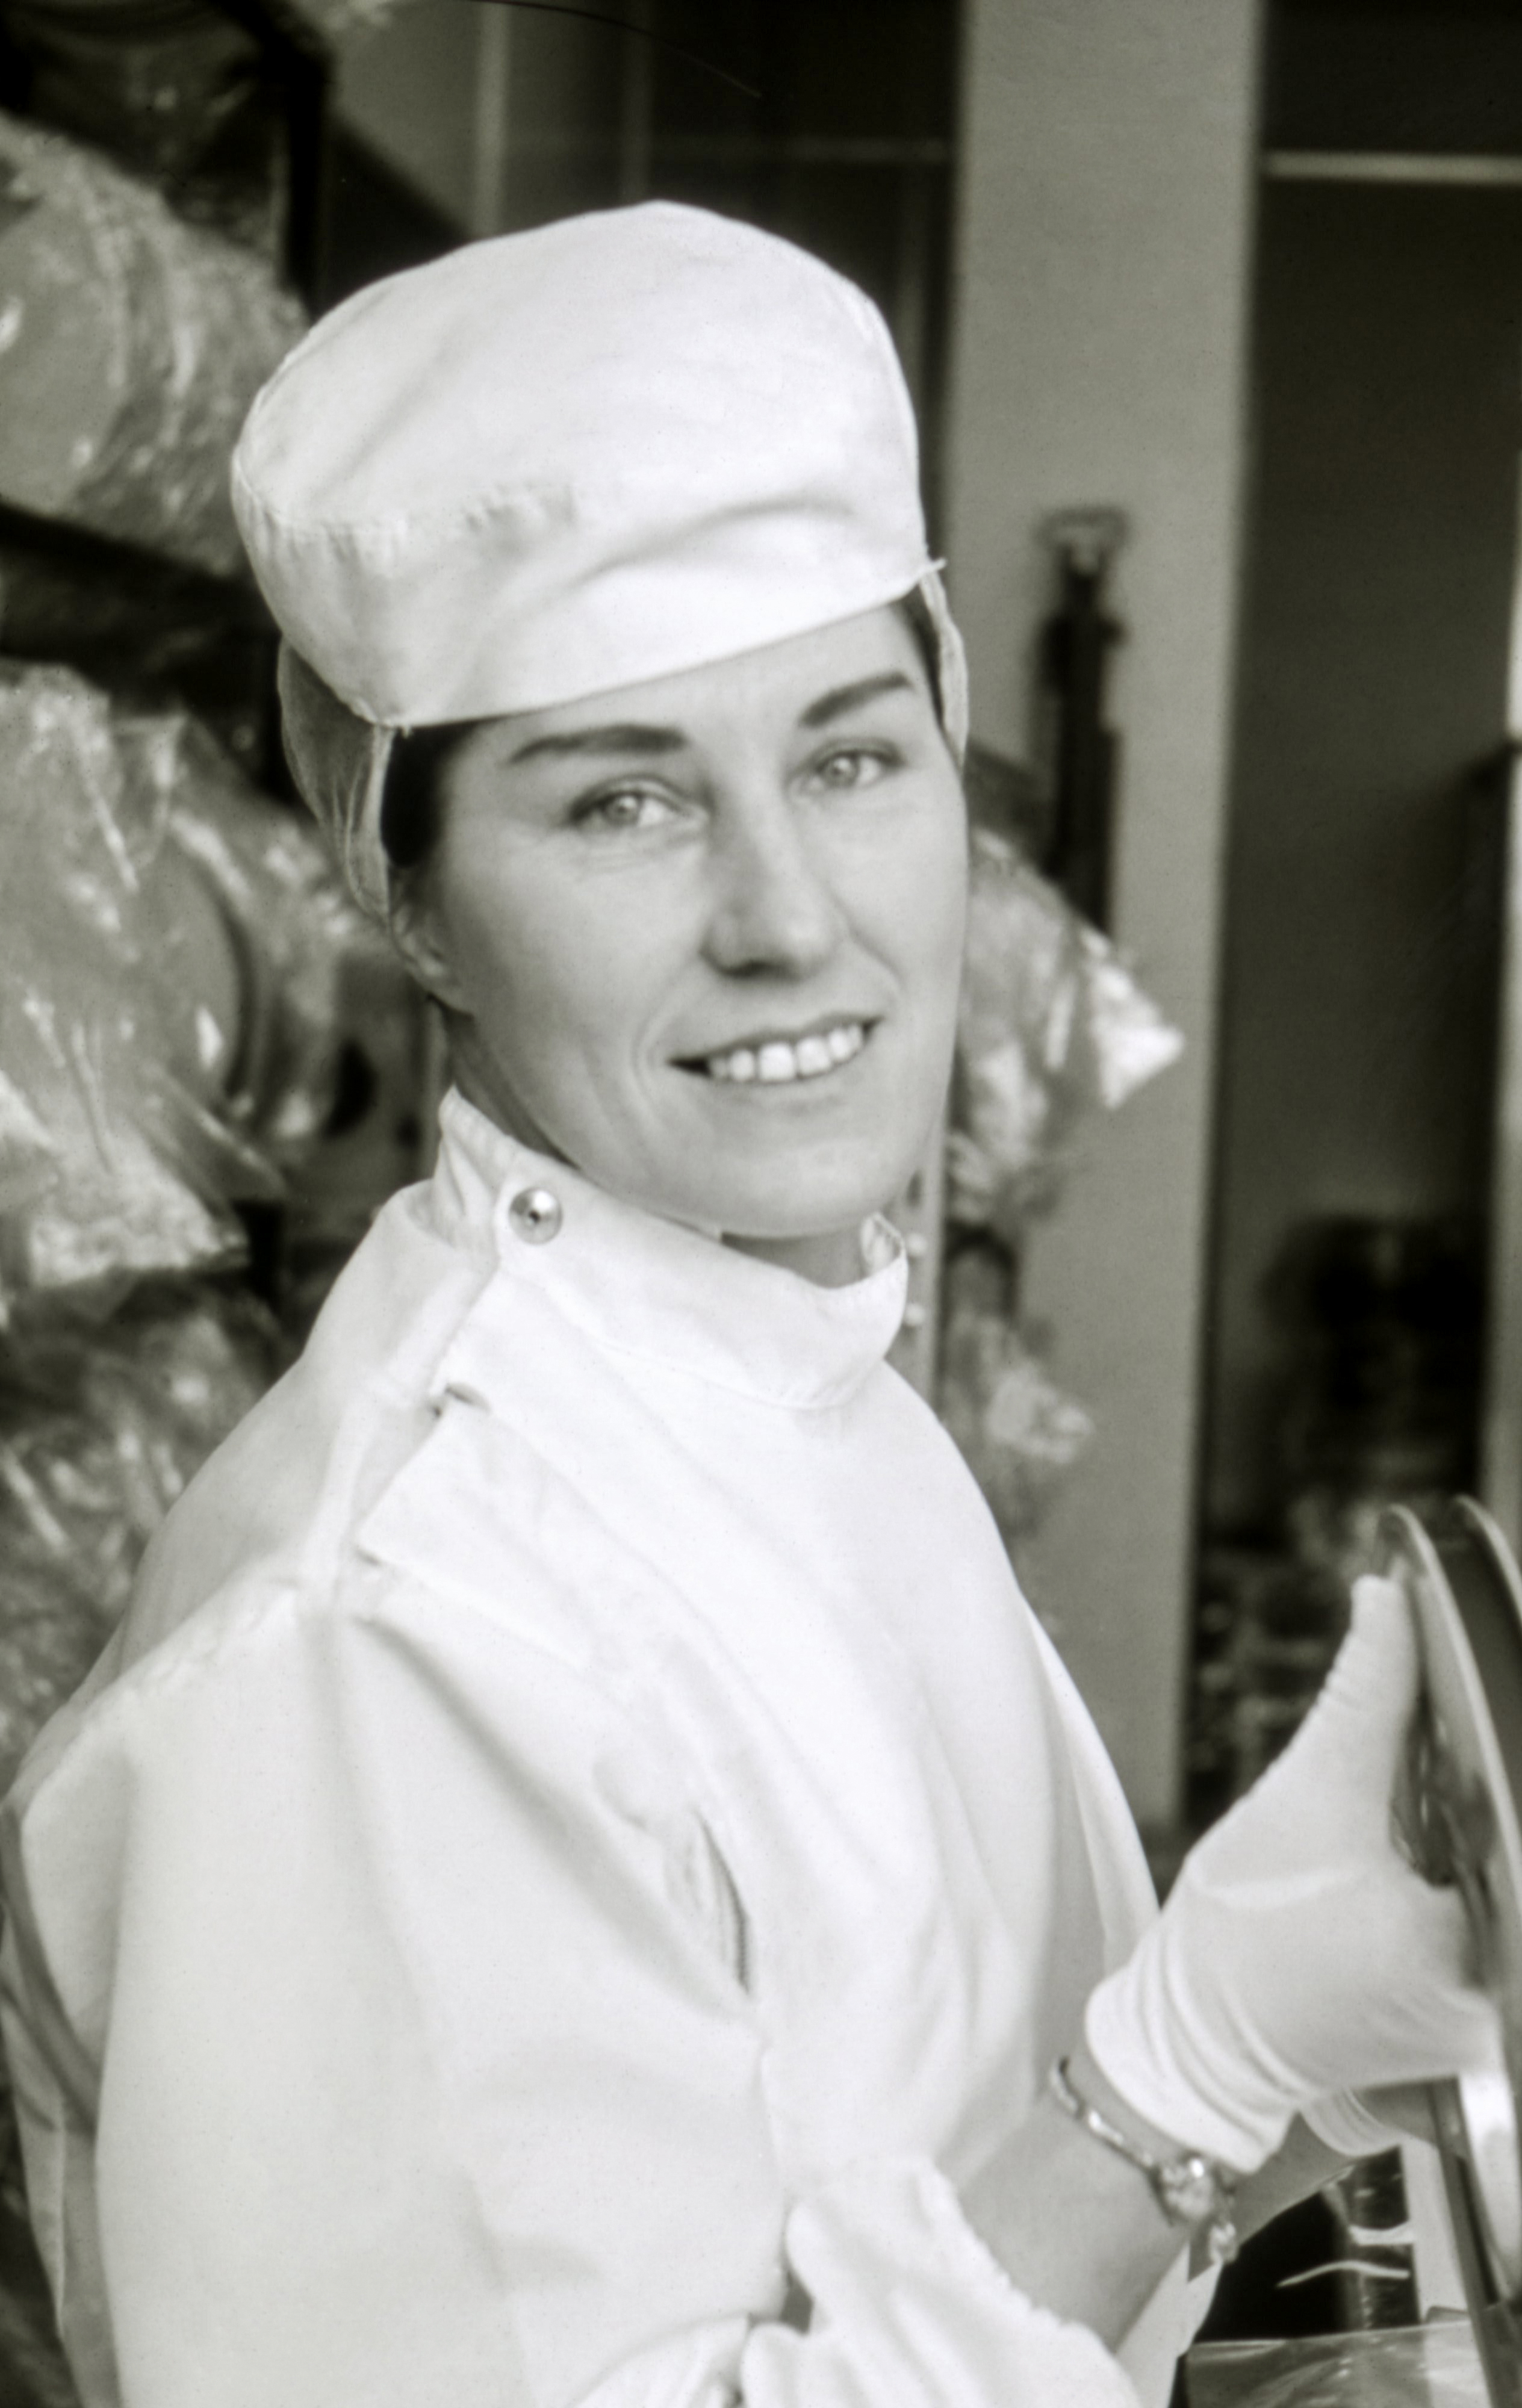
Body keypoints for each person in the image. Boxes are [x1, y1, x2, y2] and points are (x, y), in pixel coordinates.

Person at [0, 202, 1497, 2408]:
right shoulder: (386, 1650)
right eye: (623, 800)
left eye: (849, 756)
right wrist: (1179, 2080)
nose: (787, 917)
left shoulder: (782, 1376)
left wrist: (1312, 2045)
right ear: (408, 896)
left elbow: (899, 2194)